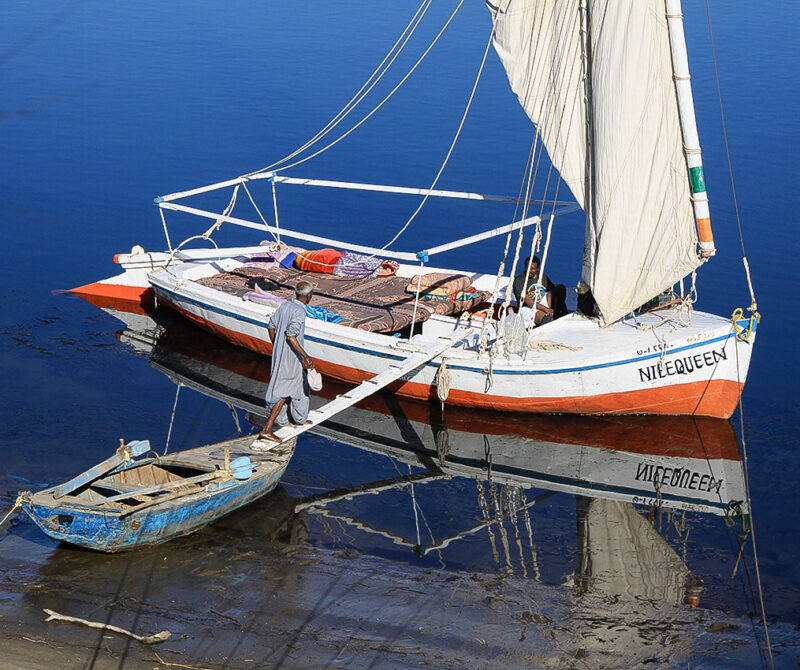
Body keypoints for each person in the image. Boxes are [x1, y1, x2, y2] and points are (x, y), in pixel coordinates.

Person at [257, 281, 316, 443]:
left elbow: (271, 325)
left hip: (282, 355)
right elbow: (291, 336)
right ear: (309, 296)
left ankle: (294, 419)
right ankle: (267, 430)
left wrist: (277, 345)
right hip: (291, 358)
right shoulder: (298, 311)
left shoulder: (285, 306)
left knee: (296, 385)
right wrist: (306, 357)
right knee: (284, 391)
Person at [512, 256, 566, 326]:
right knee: (546, 318)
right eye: (527, 267)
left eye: (533, 269)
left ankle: (559, 314)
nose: (529, 271)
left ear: (537, 268)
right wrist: (545, 309)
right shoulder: (519, 280)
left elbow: (552, 290)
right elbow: (527, 300)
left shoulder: (542, 276)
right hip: (528, 307)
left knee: (560, 289)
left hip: (542, 300)